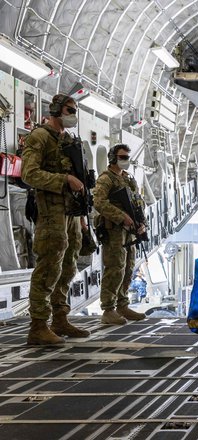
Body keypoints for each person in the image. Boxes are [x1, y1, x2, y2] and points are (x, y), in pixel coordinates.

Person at [21, 94, 90, 344]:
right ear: (56, 110)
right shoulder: (39, 137)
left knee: (69, 262)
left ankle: (60, 318)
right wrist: (63, 180)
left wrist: (82, 216)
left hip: (71, 213)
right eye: (70, 110)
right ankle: (38, 325)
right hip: (51, 212)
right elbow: (29, 173)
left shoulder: (69, 141)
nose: (73, 114)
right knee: (49, 264)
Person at [93, 144, 148, 325]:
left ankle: (122, 304)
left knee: (128, 267)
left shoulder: (128, 179)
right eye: (122, 157)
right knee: (114, 267)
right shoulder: (106, 179)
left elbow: (138, 203)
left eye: (127, 158)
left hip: (130, 231)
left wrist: (143, 223)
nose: (125, 161)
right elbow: (99, 203)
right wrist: (121, 216)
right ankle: (108, 309)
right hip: (114, 230)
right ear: (112, 158)